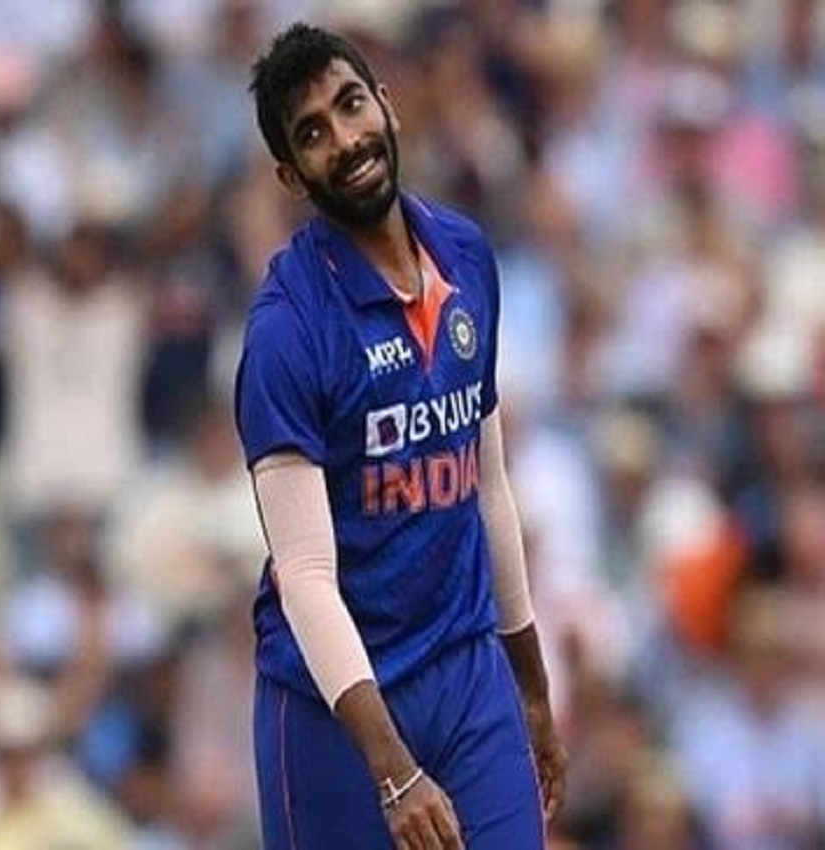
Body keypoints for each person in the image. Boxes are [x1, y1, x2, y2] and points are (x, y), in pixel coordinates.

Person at [235, 23, 566, 849]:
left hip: (467, 674)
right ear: (291, 175)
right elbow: (306, 576)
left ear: (386, 104)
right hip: (335, 713)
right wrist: (392, 769)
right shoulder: (287, 330)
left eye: (351, 105)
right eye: (313, 133)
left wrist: (530, 687)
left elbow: (487, 486)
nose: (346, 140)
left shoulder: (465, 256)